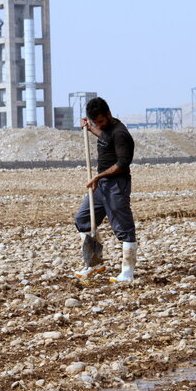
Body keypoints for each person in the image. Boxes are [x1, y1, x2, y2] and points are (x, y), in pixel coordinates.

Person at [74, 97, 137, 282]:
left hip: (117, 184)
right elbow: (104, 137)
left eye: (100, 121)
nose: (98, 125)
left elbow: (122, 164)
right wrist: (89, 127)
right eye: (95, 122)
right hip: (101, 185)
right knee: (83, 219)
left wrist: (98, 176)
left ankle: (127, 272)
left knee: (123, 226)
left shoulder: (121, 134)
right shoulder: (105, 129)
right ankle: (94, 263)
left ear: (109, 115)